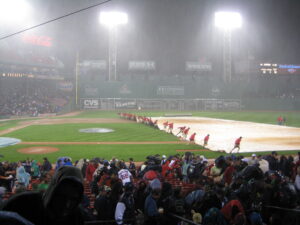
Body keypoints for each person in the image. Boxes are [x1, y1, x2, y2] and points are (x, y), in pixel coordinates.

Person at [1, 166, 85, 225]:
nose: (67, 204)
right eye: (61, 196)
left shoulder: (78, 216)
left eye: (74, 199)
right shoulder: (21, 203)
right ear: (53, 190)